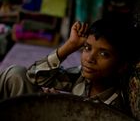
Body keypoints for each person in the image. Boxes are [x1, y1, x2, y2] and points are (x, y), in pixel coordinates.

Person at [0, 16, 139, 116]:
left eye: (104, 54)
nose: (90, 58)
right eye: (87, 48)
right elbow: (35, 75)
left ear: (122, 66)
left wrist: (59, 106)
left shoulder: (114, 108)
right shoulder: (83, 78)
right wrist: (70, 46)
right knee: (15, 74)